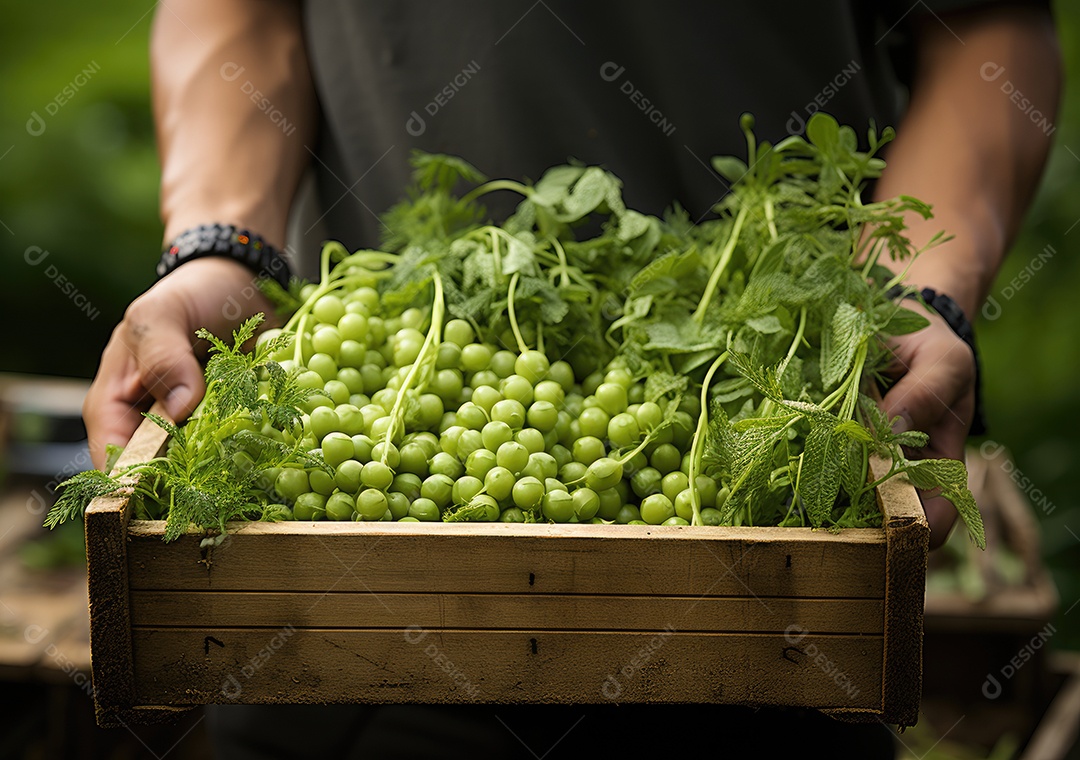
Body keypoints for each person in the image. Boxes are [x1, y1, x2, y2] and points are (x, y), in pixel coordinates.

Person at [83, 1, 1061, 757]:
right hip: (329, 645)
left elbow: (986, 28)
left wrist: (916, 293)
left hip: (768, 584)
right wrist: (220, 245)